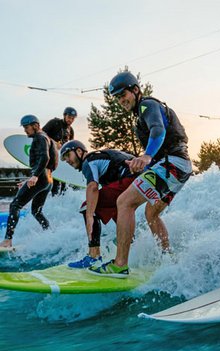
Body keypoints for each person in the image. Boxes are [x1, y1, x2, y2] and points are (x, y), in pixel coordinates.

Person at [89, 71, 192, 277]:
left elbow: (158, 130)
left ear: (135, 90)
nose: (120, 101)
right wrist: (140, 163)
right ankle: (168, 259)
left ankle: (120, 264)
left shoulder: (147, 104)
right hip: (181, 167)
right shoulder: (140, 116)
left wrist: (146, 156)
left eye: (123, 95)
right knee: (151, 213)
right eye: (117, 98)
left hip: (172, 164)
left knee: (124, 202)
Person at [59, 140, 135, 268]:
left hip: (129, 180)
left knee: (86, 206)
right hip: (140, 180)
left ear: (79, 151)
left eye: (68, 156)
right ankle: (136, 250)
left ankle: (93, 256)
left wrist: (89, 214)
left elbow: (92, 187)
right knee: (119, 214)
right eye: (65, 159)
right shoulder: (101, 157)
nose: (67, 161)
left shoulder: (88, 162)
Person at [0, 115, 58, 249]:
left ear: (35, 125)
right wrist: (31, 178)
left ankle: (7, 240)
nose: (25, 130)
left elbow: (45, 157)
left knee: (15, 205)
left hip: (41, 178)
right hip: (48, 180)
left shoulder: (40, 137)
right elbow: (50, 162)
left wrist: (35, 176)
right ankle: (50, 233)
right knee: (36, 211)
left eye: (27, 127)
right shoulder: (46, 138)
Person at [43, 107, 77, 196]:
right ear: (64, 115)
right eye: (69, 117)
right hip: (50, 159)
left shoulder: (71, 130)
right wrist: (53, 142)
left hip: (62, 160)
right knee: (54, 184)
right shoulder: (54, 123)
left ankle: (61, 205)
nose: (71, 120)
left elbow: (71, 145)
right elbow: (41, 134)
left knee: (64, 185)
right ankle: (50, 202)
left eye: (73, 118)